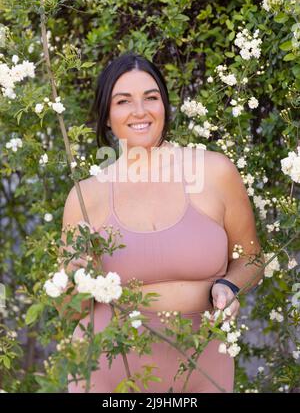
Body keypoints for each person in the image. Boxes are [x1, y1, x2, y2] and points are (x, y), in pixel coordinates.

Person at [62, 52, 263, 393]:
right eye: (123, 101)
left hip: (202, 361)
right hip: (111, 367)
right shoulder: (85, 196)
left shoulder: (214, 172)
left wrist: (228, 287)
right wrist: (77, 280)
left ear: (165, 105)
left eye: (150, 98)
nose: (140, 111)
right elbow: (70, 309)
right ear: (108, 116)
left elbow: (252, 259)